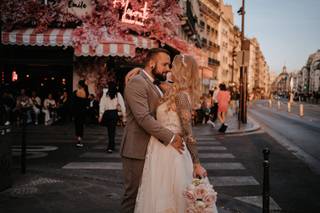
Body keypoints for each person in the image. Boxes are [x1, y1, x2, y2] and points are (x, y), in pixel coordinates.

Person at [134, 54, 217, 212]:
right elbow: (188, 133)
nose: (169, 68)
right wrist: (140, 71)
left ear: (180, 70)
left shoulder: (177, 96)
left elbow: (188, 132)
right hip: (164, 149)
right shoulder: (173, 92)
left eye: (172, 66)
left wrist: (196, 162)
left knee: (168, 197)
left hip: (168, 151)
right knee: (166, 197)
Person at [120, 48, 185, 213]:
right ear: (151, 63)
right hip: (137, 149)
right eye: (164, 64)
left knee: (146, 197)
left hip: (153, 150)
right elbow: (143, 118)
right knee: (133, 197)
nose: (168, 68)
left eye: (169, 65)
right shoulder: (137, 83)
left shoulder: (156, 84)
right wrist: (171, 137)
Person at [99, 82, 126, 153]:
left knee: (109, 130)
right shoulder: (118, 94)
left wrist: (101, 115)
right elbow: (122, 105)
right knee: (112, 130)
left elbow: (102, 105)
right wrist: (124, 116)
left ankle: (111, 145)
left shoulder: (105, 94)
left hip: (107, 113)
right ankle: (111, 145)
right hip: (114, 113)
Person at [73, 80, 89, 147]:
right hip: (83, 112)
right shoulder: (86, 93)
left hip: (77, 111)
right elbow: (87, 104)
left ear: (80, 85)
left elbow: (73, 103)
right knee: (81, 125)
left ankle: (78, 139)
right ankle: (80, 139)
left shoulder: (75, 92)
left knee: (77, 125)